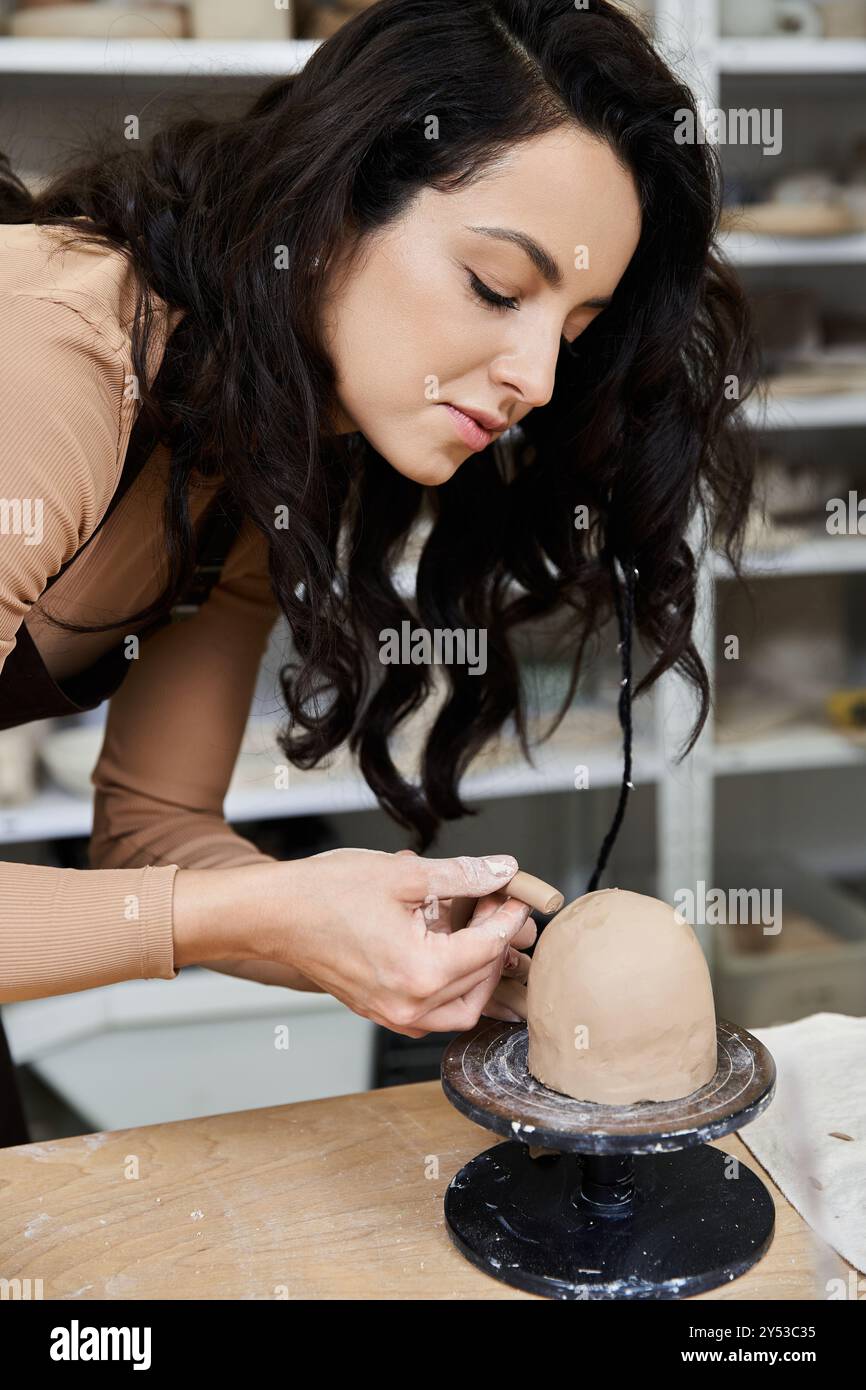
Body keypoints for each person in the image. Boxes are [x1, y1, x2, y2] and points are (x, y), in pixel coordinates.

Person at [0, 0, 758, 1142]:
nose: (536, 381)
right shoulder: (55, 358)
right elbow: (177, 895)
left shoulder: (248, 445)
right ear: (334, 196)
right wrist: (257, 909)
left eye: (575, 325)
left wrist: (371, 931)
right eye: (499, 289)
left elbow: (149, 831)